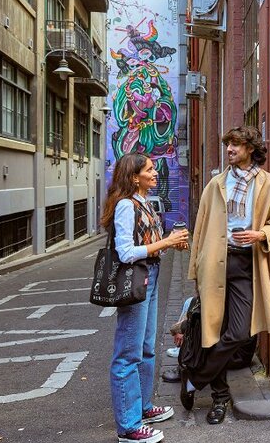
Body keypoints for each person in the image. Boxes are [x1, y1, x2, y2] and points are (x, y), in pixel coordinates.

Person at [185, 126, 270, 424]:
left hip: (245, 263)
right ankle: (219, 398)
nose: (229, 150)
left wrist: (261, 233)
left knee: (238, 332)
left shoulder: (269, 184)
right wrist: (196, 269)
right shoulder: (216, 184)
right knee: (212, 331)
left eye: (235, 145)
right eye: (227, 144)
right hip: (214, 262)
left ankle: (195, 379)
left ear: (250, 148)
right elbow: (200, 228)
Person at [101, 153, 189, 443]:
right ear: (134, 176)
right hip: (135, 282)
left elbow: (148, 245)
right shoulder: (126, 205)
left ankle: (143, 408)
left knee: (147, 348)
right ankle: (128, 427)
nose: (155, 173)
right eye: (149, 170)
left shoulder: (143, 202)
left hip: (148, 278)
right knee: (128, 353)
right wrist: (166, 241)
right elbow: (126, 252)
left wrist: (168, 246)